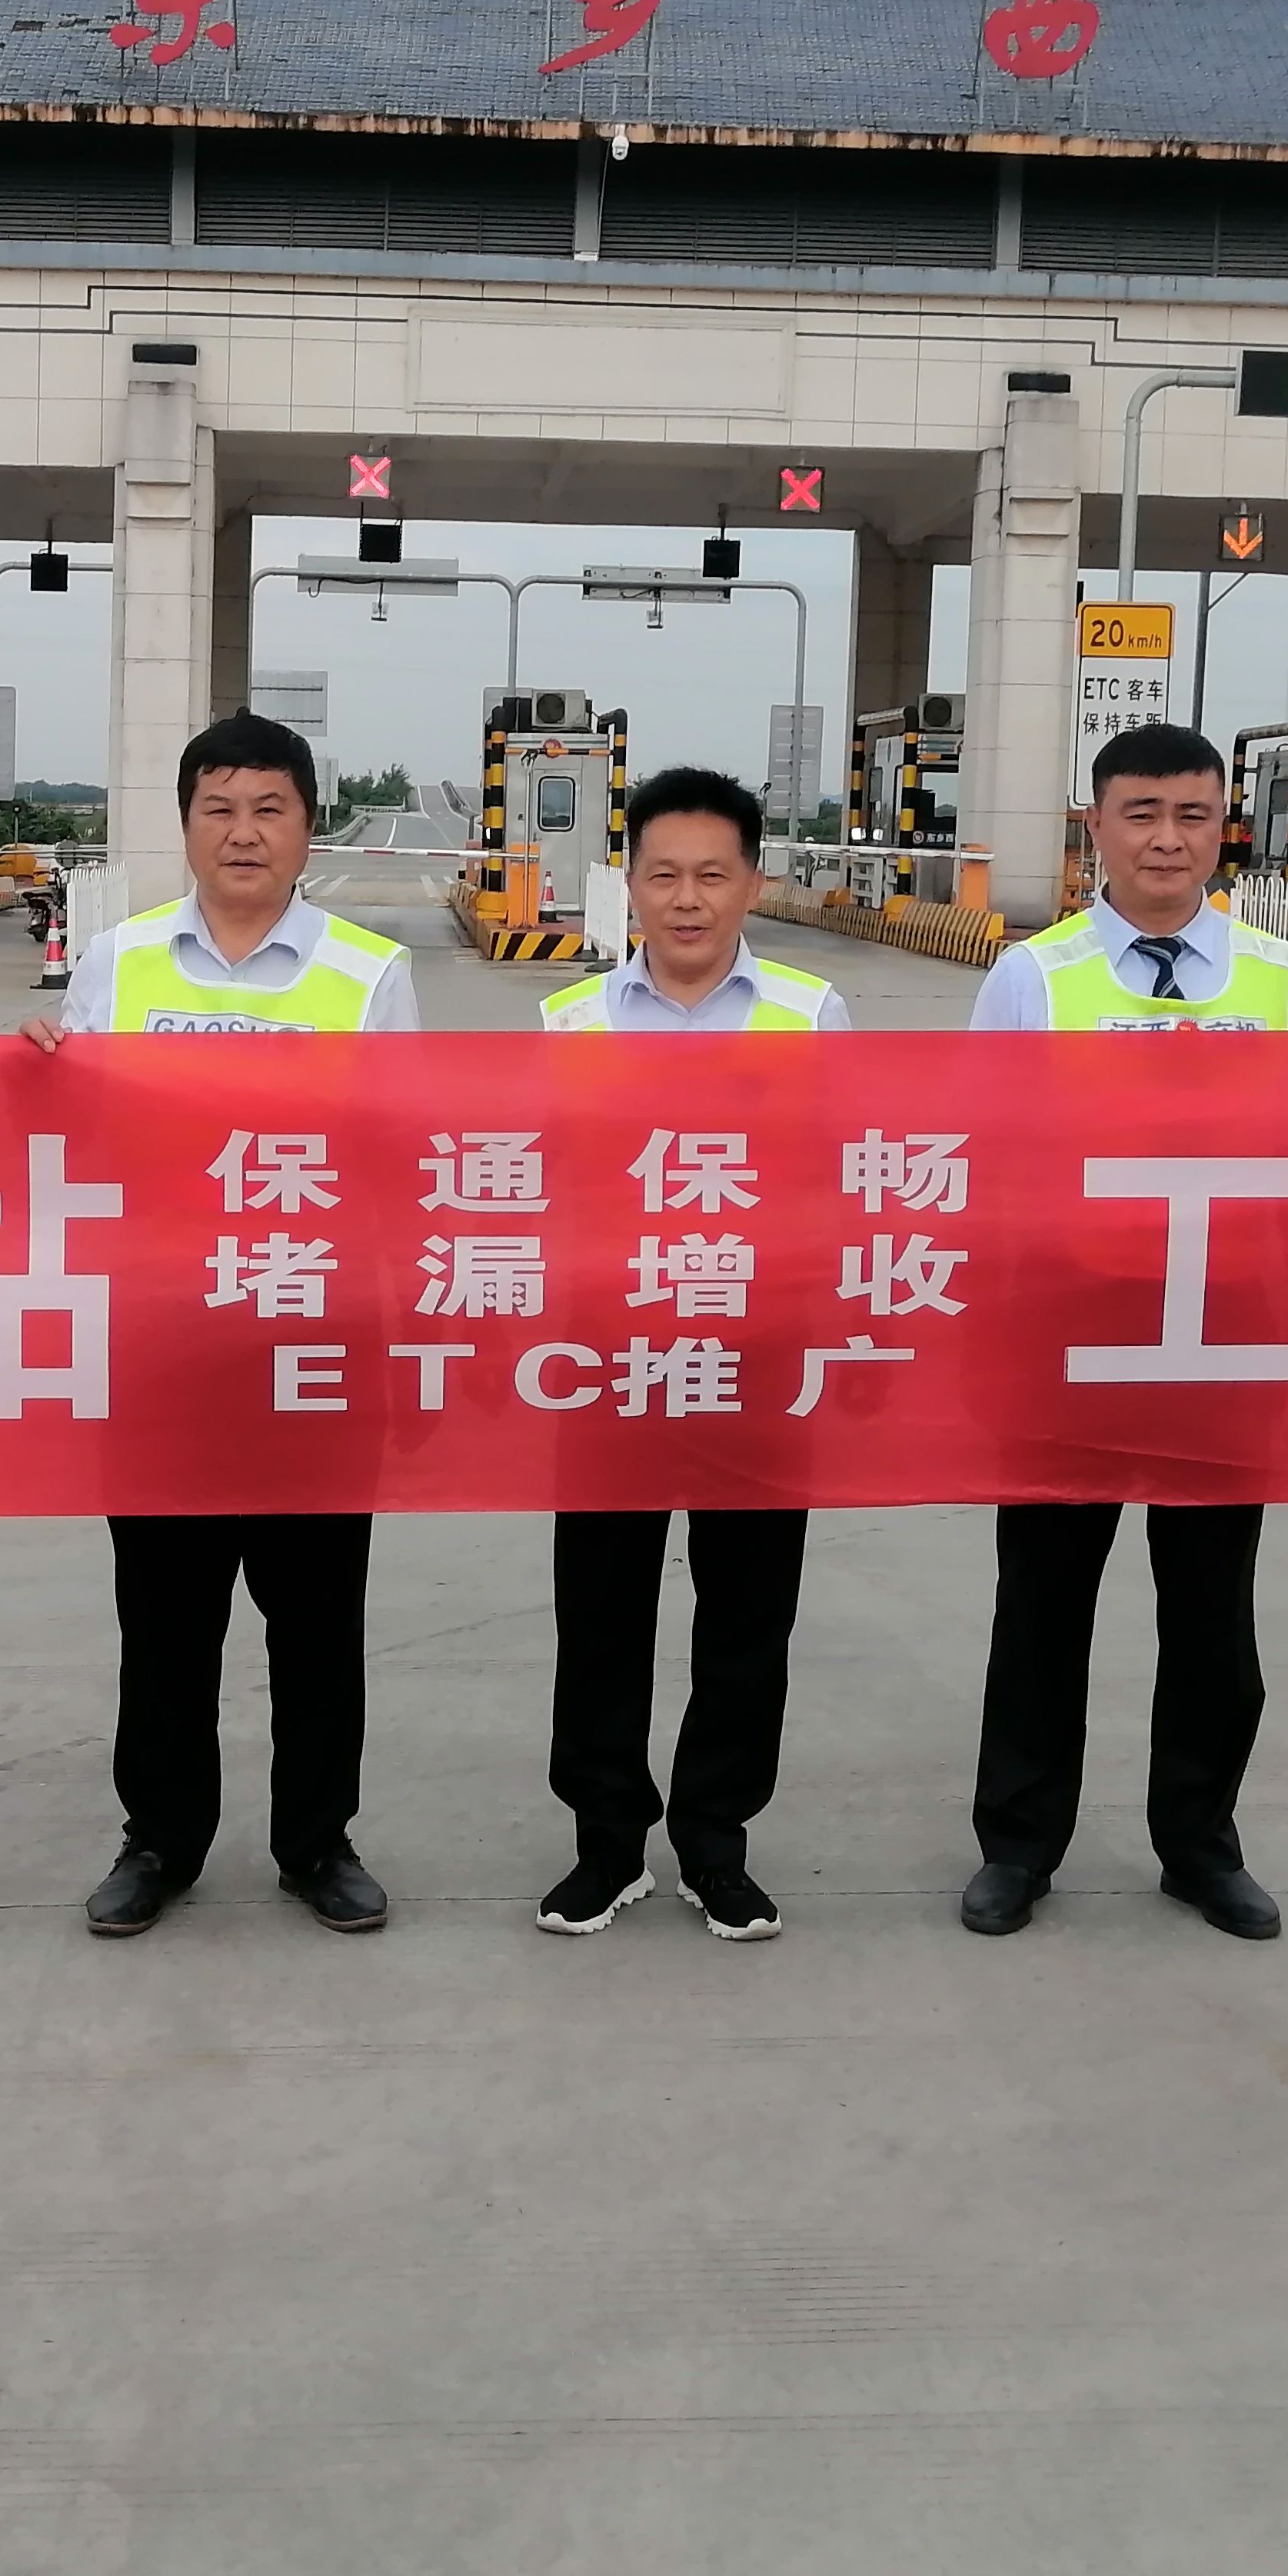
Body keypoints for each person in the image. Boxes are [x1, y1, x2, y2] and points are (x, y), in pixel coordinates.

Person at [18, 710, 416, 1936]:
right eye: (220, 809)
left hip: (312, 1342)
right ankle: (160, 1839)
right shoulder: (120, 962)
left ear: (308, 828)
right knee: (165, 1619)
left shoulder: (366, 974)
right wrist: (34, 1071)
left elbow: (401, 1162)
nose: (244, 834)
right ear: (186, 825)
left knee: (318, 1620)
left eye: (269, 810)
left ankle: (318, 1842)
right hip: (166, 1345)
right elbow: (78, 1142)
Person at [956, 721, 1288, 1941]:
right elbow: (984, 1159)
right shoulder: (1037, 978)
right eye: (1142, 814)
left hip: (1228, 1336)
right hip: (1071, 1334)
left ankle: (1201, 1846)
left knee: (1213, 1611)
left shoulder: (1277, 977)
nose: (1167, 840)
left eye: (1192, 815)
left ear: (1225, 828)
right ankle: (1020, 1846)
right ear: (1097, 827)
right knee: (1043, 1603)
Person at [532, 765, 850, 1942]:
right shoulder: (570, 1023)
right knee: (600, 1614)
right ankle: (606, 1845)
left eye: (713, 875)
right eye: (663, 874)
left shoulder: (809, 1016)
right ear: (629, 884)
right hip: (608, 1362)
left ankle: (717, 1842)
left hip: (757, 1357)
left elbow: (843, 1178)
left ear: (753, 885)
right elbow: (536, 1187)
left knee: (748, 1618)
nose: (686, 899)